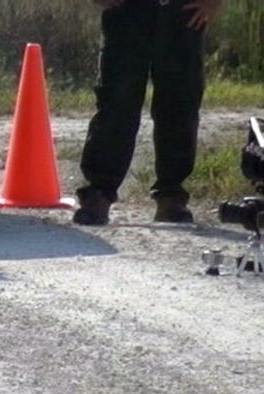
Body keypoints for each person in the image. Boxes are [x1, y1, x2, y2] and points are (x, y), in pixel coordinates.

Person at [73, 0, 223, 226]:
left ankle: (171, 196)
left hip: (182, 11)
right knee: (116, 101)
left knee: (180, 103)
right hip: (126, 11)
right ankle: (99, 192)